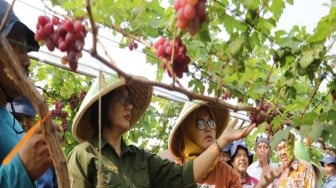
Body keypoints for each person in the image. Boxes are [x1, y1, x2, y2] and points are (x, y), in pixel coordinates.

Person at [67, 74, 256, 187]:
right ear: (103, 104)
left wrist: (221, 142)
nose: (129, 107)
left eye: (130, 102)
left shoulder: (140, 158)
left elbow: (183, 176)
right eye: (122, 99)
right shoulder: (83, 156)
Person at [0, 1, 57, 187]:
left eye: (26, 50)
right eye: (16, 47)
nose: (27, 61)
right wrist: (21, 169)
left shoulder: (10, 121)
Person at [168, 100, 242, 187]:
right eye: (201, 123)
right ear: (188, 131)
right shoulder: (174, 171)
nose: (208, 128)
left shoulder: (229, 175)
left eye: (211, 123)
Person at [6, 96, 58, 188]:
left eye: (28, 117)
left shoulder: (45, 150)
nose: (24, 123)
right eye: (18, 118)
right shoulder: (5, 147)